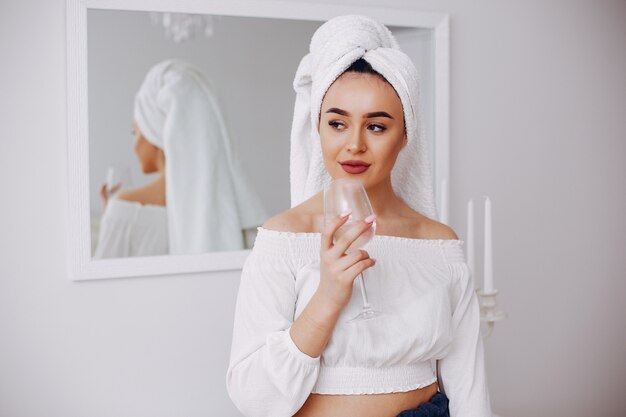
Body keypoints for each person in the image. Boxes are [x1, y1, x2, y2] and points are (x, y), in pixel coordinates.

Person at [226, 15, 492, 417]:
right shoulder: (284, 240)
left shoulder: (438, 245)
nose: (354, 144)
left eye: (377, 126)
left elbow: (469, 389)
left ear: (405, 135)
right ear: (318, 127)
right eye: (337, 123)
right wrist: (328, 297)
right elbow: (254, 399)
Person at [94, 59, 267, 258]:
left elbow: (99, 284)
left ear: (155, 132)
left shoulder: (125, 206)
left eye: (135, 132)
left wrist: (113, 215)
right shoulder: (226, 205)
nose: (134, 144)